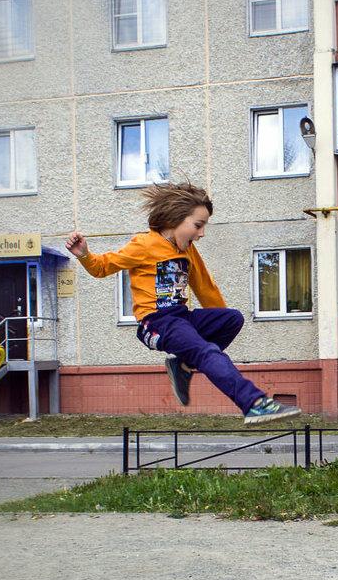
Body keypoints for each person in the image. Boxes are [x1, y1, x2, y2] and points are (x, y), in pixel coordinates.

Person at [65, 182, 301, 425]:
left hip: (182, 318)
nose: (201, 234)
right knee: (207, 351)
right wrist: (84, 254)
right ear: (174, 220)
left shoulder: (188, 251)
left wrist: (215, 324)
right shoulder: (144, 245)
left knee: (232, 319)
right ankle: (254, 404)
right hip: (155, 322)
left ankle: (184, 364)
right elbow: (104, 266)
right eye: (198, 226)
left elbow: (204, 287)